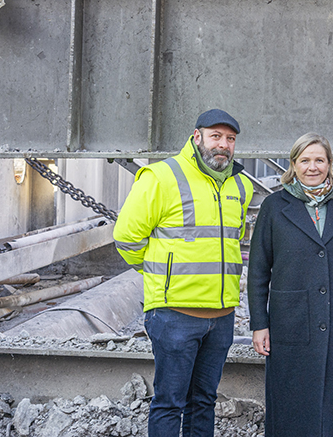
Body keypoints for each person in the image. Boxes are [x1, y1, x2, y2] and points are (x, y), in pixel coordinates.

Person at [113, 109, 254, 437]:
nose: (223, 145)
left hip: (221, 317)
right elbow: (126, 237)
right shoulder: (162, 177)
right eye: (215, 136)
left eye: (230, 139)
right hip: (174, 314)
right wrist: (158, 272)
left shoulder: (241, 185)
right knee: (169, 401)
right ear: (197, 137)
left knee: (203, 400)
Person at [248, 133, 333, 437]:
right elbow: (259, 269)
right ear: (293, 164)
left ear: (329, 164)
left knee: (331, 402)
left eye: (319, 160)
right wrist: (259, 324)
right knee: (289, 400)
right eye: (305, 160)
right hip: (290, 322)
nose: (312, 167)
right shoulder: (275, 207)